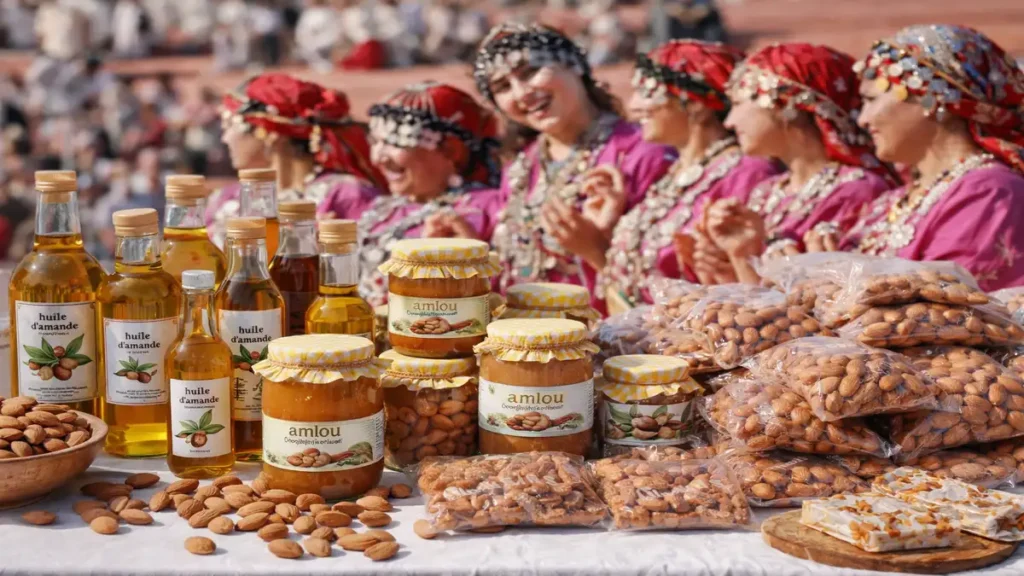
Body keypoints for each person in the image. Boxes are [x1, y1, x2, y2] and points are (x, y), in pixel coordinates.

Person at [471, 23, 675, 306]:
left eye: (530, 72)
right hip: (526, 338)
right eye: (503, 87)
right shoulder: (520, 169)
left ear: (576, 65)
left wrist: (597, 250)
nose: (521, 93)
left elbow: (675, 283)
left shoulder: (641, 154)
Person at [813, 25, 1024, 290]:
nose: (863, 119)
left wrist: (835, 283)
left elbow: (945, 314)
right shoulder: (894, 200)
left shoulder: (989, 192)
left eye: (871, 99)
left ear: (932, 98)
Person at [595, 40, 779, 306]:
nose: (634, 105)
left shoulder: (747, 174)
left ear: (697, 104)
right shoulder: (677, 172)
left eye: (647, 92)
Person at [694, 42, 893, 284]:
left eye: (738, 104)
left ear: (786, 106)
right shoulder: (767, 190)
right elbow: (751, 300)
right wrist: (725, 265)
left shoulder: (855, 192)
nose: (730, 122)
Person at [333, 81, 504, 306]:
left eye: (395, 142)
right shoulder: (384, 206)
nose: (379, 158)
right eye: (376, 141)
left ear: (451, 150)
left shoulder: (486, 208)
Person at [207, 73, 385, 246]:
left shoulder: (345, 195)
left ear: (268, 133)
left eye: (230, 125)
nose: (225, 138)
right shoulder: (227, 199)